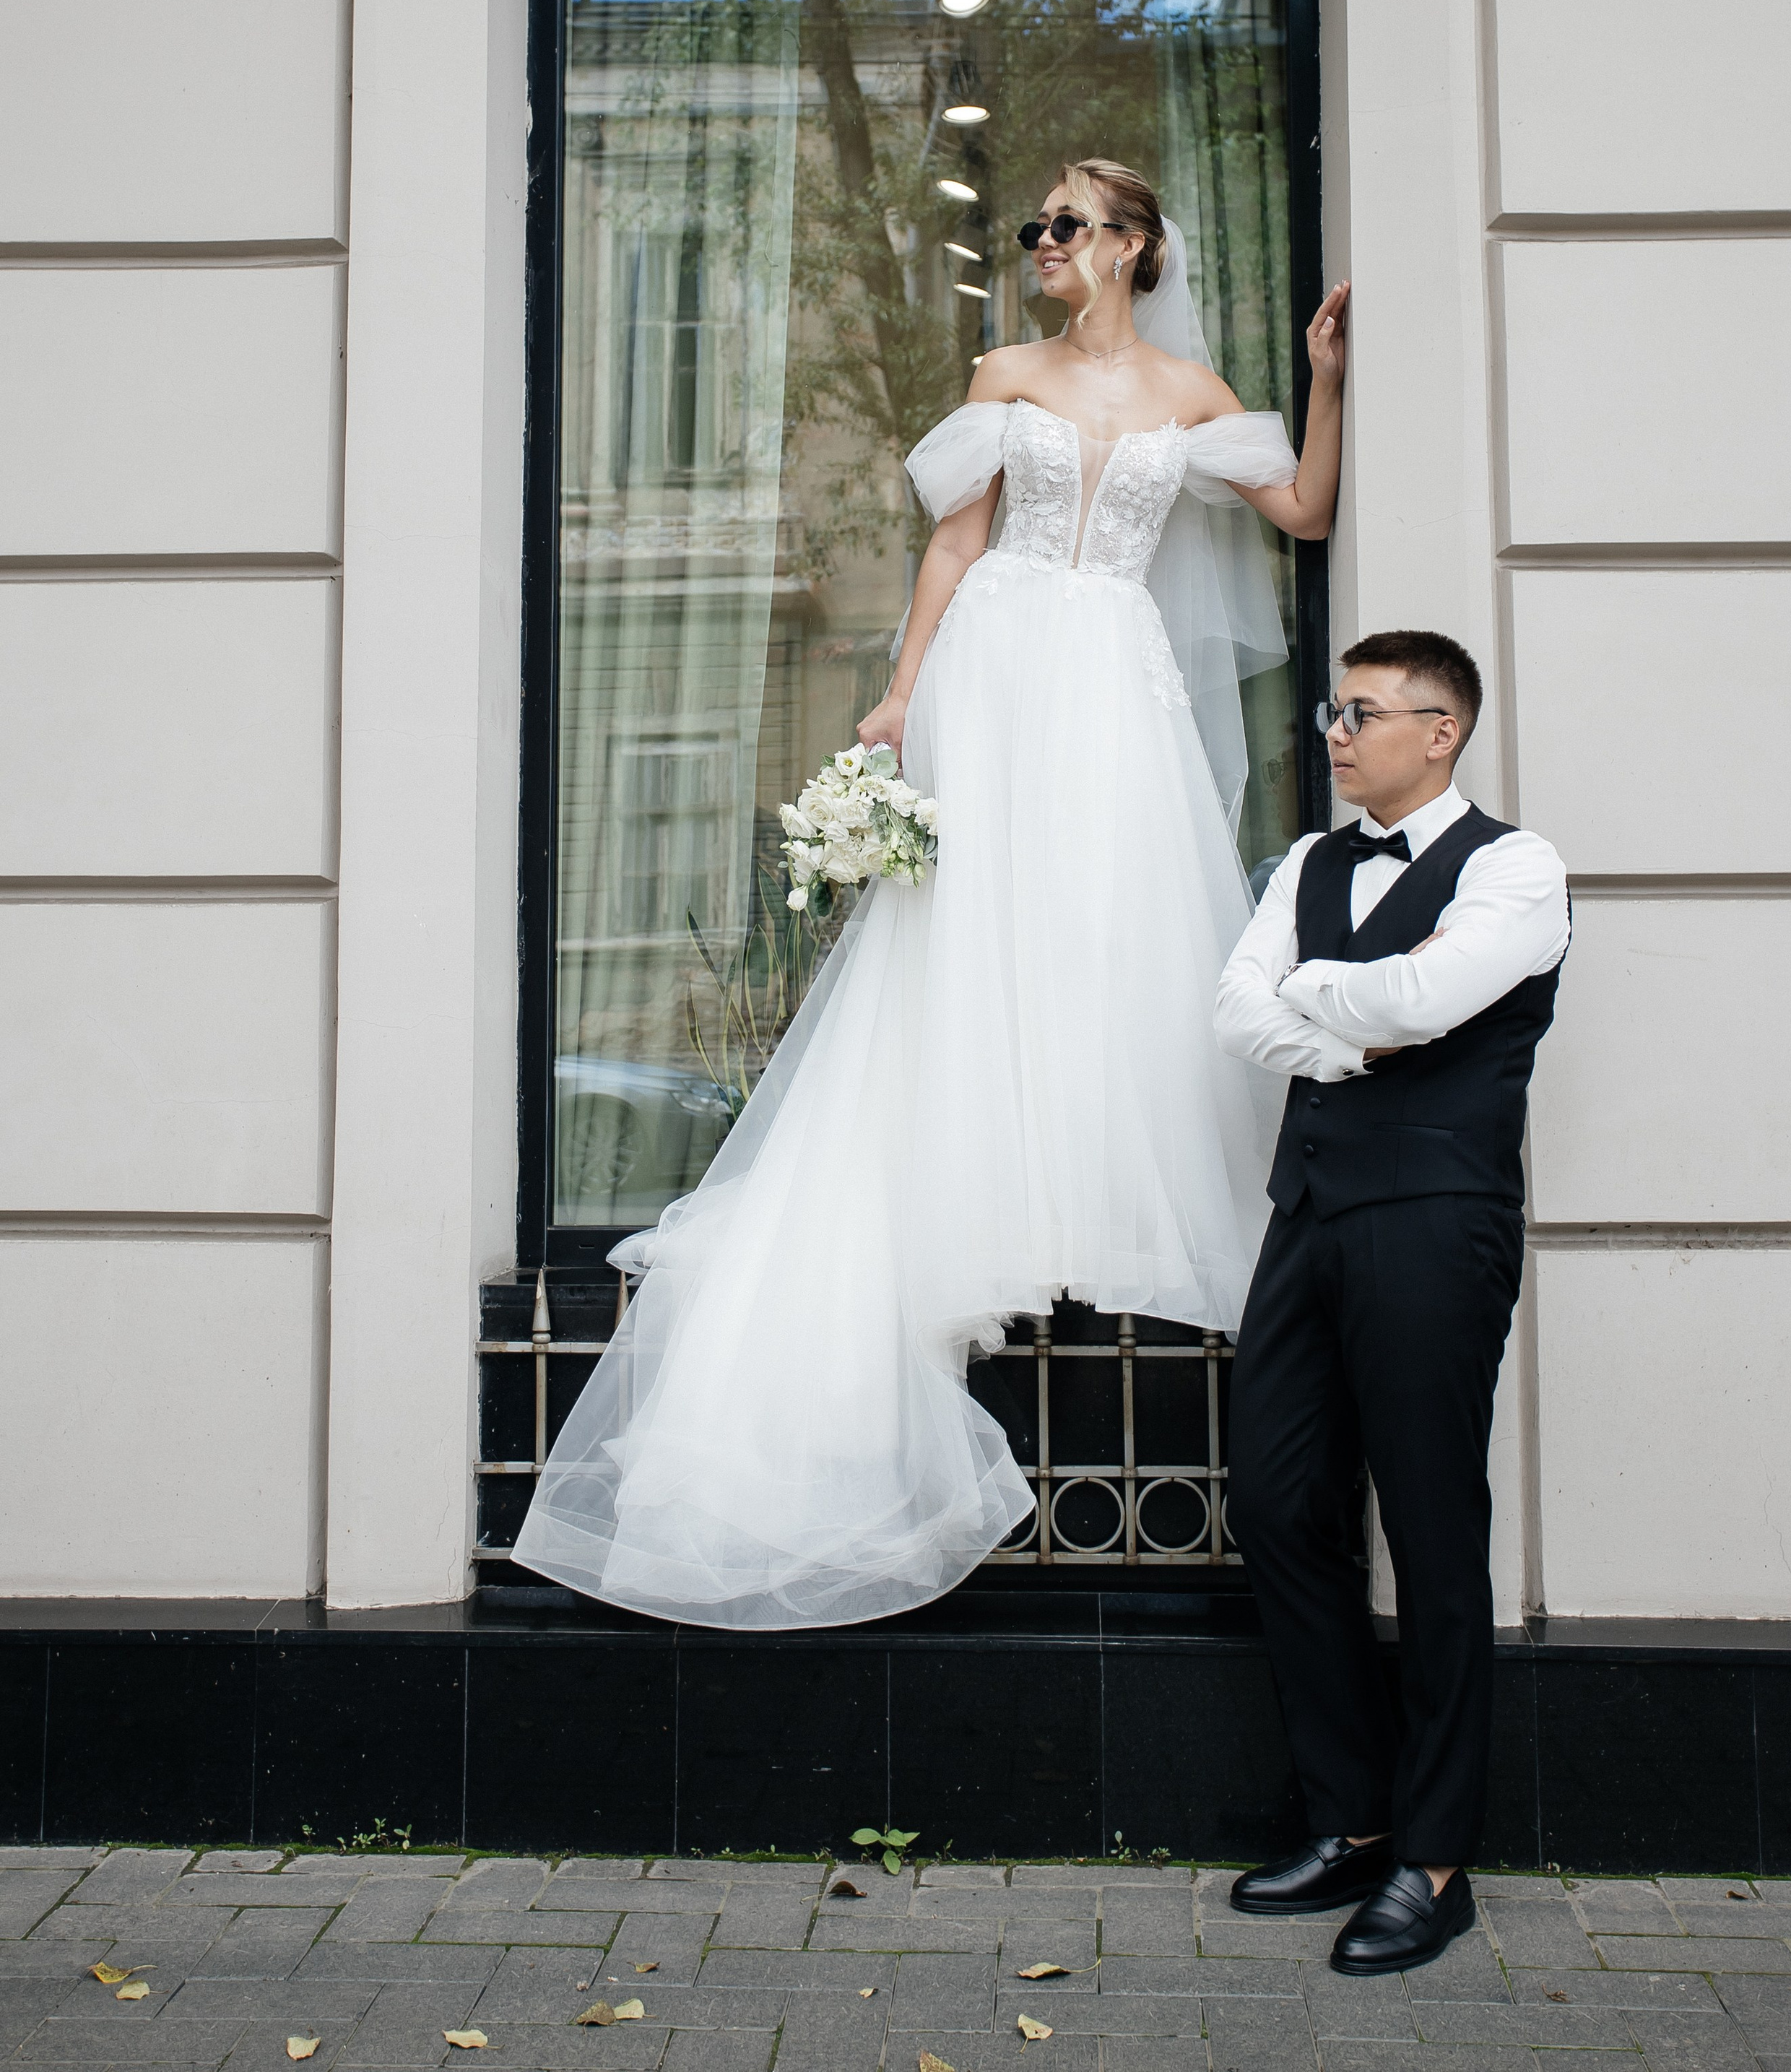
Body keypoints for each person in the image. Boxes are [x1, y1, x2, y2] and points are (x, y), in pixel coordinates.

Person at [513, 157, 1350, 1629]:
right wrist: (901, 696)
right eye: (1030, 225)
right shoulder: (999, 368)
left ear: (1134, 247)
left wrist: (1321, 381)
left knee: (1112, 930)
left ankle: (1084, 1199)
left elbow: (1298, 512)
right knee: (966, 930)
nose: (1038, 244)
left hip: (1111, 677)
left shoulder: (1193, 389)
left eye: (1064, 225)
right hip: (1000, 665)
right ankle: (978, 1198)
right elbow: (953, 540)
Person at [1213, 631, 1570, 1975]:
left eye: (1359, 713)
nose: (1335, 733)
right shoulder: (1309, 864)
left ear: (1442, 729)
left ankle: (1433, 1859)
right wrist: (1348, 1022)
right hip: (1307, 1220)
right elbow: (1237, 1014)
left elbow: (1428, 997)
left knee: (1429, 1526)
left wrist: (1327, 1007)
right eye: (1333, 709)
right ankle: (1350, 1820)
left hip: (1436, 1225)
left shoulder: (1518, 869)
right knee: (1280, 1503)